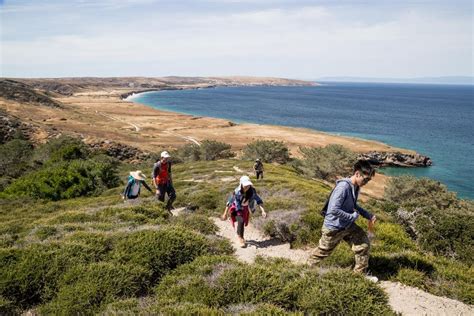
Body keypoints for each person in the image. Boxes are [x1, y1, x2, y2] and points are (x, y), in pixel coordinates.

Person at [310, 160, 378, 282]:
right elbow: (333, 209)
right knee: (323, 251)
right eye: (366, 180)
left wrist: (367, 214)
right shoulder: (343, 187)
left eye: (368, 181)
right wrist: (351, 217)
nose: (366, 183)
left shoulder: (355, 186)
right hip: (334, 228)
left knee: (363, 245)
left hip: (347, 226)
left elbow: (352, 205)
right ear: (357, 174)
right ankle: (305, 269)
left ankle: (359, 276)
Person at [221, 176, 267, 248]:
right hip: (236, 208)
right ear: (241, 184)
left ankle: (239, 233)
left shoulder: (252, 191)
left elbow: (258, 200)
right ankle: (241, 238)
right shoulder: (236, 192)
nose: (247, 187)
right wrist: (225, 213)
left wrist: (263, 210)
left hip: (245, 209)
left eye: (248, 185)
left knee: (242, 222)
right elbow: (229, 202)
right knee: (241, 221)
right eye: (245, 185)